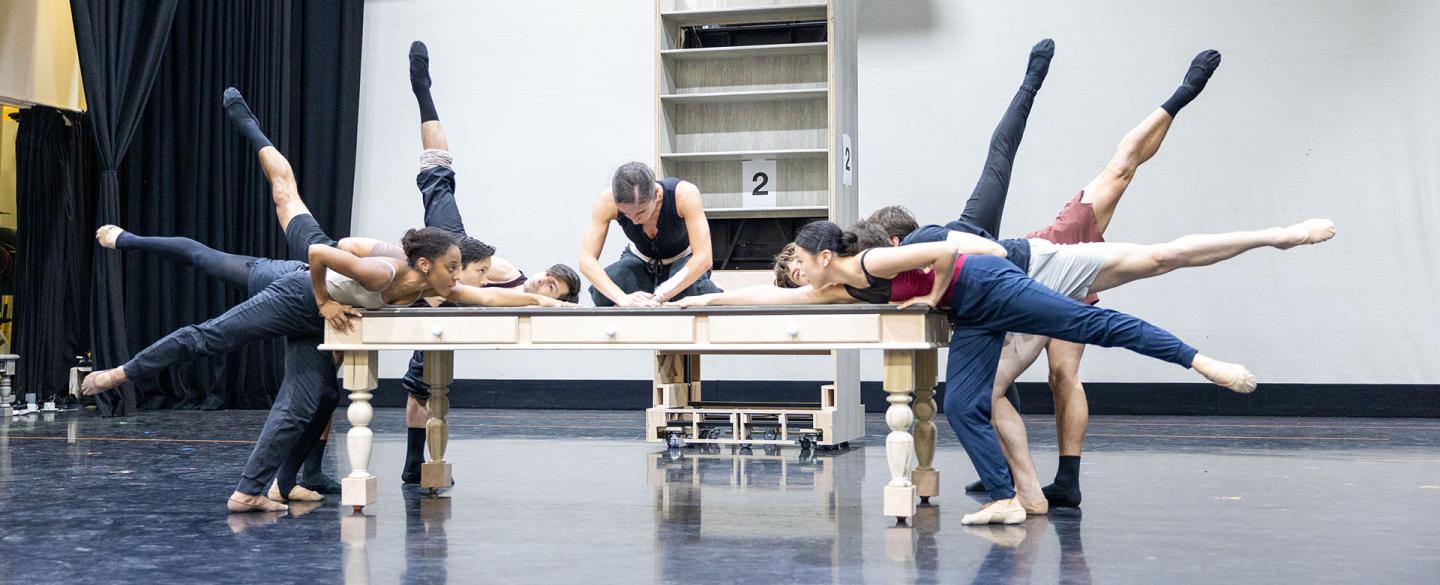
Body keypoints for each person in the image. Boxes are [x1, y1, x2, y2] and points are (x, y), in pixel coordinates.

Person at [672, 221, 1258, 525]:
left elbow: (948, 255)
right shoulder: (835, 289)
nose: (795, 273)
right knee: (963, 404)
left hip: (990, 288)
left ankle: (1200, 362)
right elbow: (772, 299)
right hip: (971, 317)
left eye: (798, 262)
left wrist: (931, 301)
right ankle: (1003, 497)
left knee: (1091, 326)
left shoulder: (871, 262)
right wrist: (699, 301)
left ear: (824, 256)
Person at [580, 161, 721, 307]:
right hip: (640, 259)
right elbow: (586, 260)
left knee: (693, 293)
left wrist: (661, 294)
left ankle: (708, 289)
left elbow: (704, 257)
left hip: (683, 260)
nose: (634, 221)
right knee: (602, 294)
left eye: (641, 212)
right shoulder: (607, 200)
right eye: (626, 214)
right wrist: (622, 298)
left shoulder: (684, 194)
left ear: (656, 196)